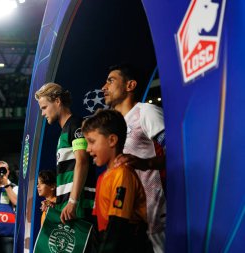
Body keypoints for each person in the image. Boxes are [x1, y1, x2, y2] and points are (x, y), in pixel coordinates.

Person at [102, 63, 166, 253]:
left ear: (130, 85)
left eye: (110, 81)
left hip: (158, 219)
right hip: (133, 222)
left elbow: (180, 153)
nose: (104, 87)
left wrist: (146, 163)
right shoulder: (114, 127)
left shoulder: (145, 112)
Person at [82, 109, 153, 252]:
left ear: (112, 140)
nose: (88, 149)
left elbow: (118, 227)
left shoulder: (122, 174)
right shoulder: (102, 178)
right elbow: (98, 227)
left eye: (92, 142)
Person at [35, 83, 96, 224]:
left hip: (79, 205)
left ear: (57, 101)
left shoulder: (75, 125)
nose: (43, 113)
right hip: (71, 205)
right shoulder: (66, 129)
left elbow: (83, 161)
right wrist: (58, 203)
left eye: (44, 107)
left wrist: (73, 201)